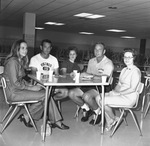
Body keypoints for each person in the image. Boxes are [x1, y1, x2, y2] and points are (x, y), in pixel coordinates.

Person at [3, 39, 69, 130]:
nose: (25, 50)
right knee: (46, 95)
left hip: (18, 90)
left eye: (26, 48)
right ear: (16, 49)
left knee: (44, 94)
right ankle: (57, 121)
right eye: (22, 48)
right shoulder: (12, 62)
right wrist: (32, 88)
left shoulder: (19, 61)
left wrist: (30, 86)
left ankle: (26, 116)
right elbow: (15, 83)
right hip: (14, 93)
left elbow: (20, 80)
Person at [95, 48, 141, 131]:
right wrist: (113, 92)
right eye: (125, 57)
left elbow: (132, 89)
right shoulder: (124, 70)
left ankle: (112, 119)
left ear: (134, 58)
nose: (126, 59)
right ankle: (113, 119)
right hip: (120, 94)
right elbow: (119, 84)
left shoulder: (135, 71)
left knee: (103, 101)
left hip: (129, 97)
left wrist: (118, 94)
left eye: (129, 57)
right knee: (98, 97)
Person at [68, 42, 114, 124]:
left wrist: (90, 75)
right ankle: (87, 109)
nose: (97, 51)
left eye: (100, 49)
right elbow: (87, 76)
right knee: (71, 93)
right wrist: (79, 75)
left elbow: (105, 78)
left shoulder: (108, 63)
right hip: (90, 85)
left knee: (86, 96)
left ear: (104, 51)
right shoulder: (91, 61)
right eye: (95, 49)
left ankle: (98, 113)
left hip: (102, 87)